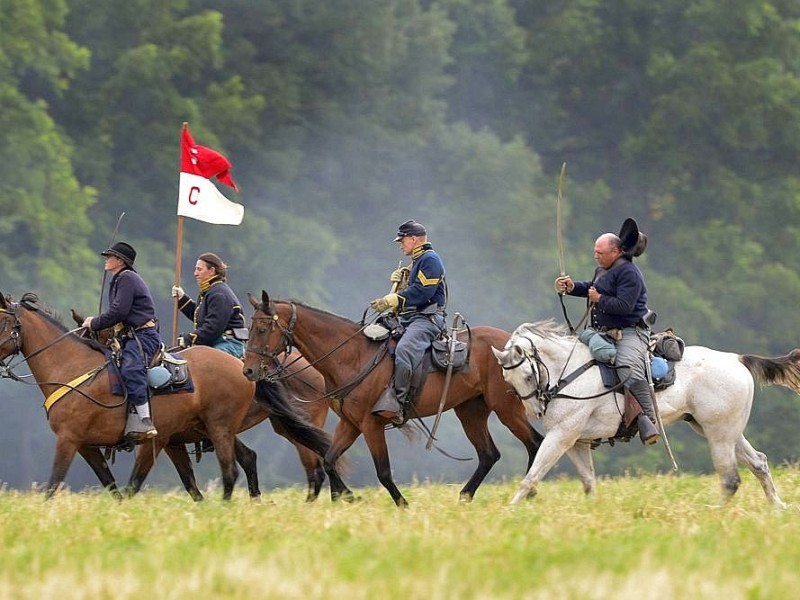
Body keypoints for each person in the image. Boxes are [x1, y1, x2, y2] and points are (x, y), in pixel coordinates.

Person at [554, 218, 660, 445]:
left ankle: (648, 418)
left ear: (616, 251)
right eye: (595, 252)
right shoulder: (602, 269)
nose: (596, 255)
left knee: (627, 368)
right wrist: (573, 287)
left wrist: (598, 299)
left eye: (600, 252)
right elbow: (592, 288)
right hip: (603, 332)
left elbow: (625, 306)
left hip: (631, 332)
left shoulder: (630, 273)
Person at [82, 241, 161, 441]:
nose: (106, 260)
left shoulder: (126, 278)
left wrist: (95, 323)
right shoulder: (119, 279)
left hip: (143, 336)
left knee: (131, 369)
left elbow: (119, 311)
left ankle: (144, 420)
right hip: (128, 336)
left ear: (120, 261)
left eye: (109, 257)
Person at [370, 220, 446, 422]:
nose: (400, 245)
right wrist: (401, 283)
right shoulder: (416, 261)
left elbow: (424, 292)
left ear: (414, 239)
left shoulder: (430, 259)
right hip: (411, 317)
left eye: (402, 241)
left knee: (404, 349)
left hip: (427, 318)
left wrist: (393, 298)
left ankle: (398, 403)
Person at [171, 252, 246, 359]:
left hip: (228, 344)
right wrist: (182, 299)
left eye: (199, 269)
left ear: (211, 271)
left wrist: (189, 339)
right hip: (214, 342)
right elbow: (201, 318)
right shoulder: (211, 291)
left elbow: (213, 327)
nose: (195, 273)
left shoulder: (219, 294)